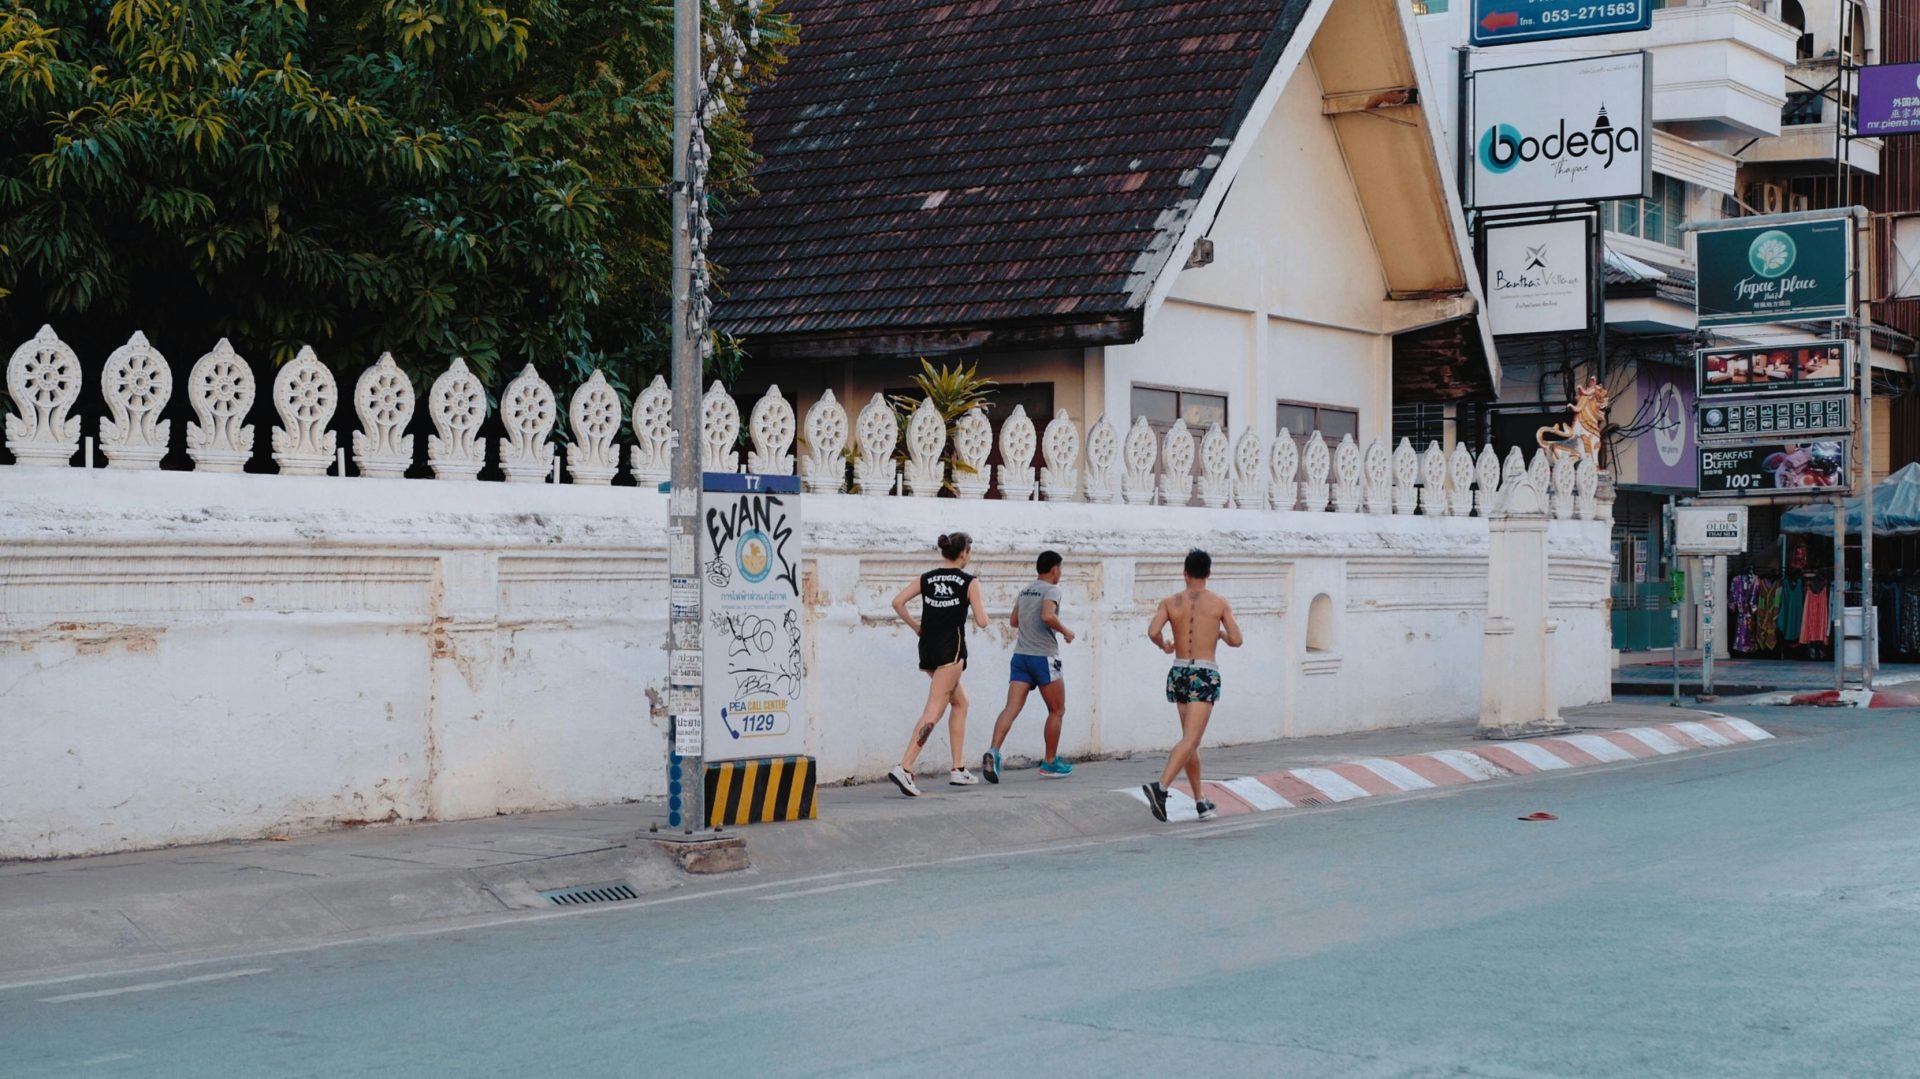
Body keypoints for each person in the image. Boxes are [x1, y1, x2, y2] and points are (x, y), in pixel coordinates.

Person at [1141, 548, 1243, 822]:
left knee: (1190, 740)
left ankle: (1200, 801)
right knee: (1191, 739)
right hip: (1203, 672)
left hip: (1179, 670)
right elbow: (1237, 639)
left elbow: (1153, 631)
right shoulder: (1218, 603)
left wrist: (1164, 645)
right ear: (1208, 573)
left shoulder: (1170, 602)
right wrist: (1220, 634)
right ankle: (1160, 787)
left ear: (1184, 573)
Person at [887, 532, 989, 796]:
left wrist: (916, 627)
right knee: (934, 710)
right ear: (964, 553)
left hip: (928, 648)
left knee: (960, 702)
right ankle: (905, 767)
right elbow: (982, 622)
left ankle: (958, 768)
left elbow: (897, 602)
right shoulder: (969, 581)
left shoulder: (927, 578)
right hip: (950, 652)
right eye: (969, 551)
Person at [982, 550, 1076, 783]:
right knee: (1057, 710)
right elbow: (1047, 615)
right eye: (1060, 569)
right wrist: (1065, 631)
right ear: (1055, 569)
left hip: (1021, 657)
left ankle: (994, 751)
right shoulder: (1052, 590)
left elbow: (1014, 621)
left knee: (1010, 709)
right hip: (1043, 657)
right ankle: (1050, 762)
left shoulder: (1025, 591)